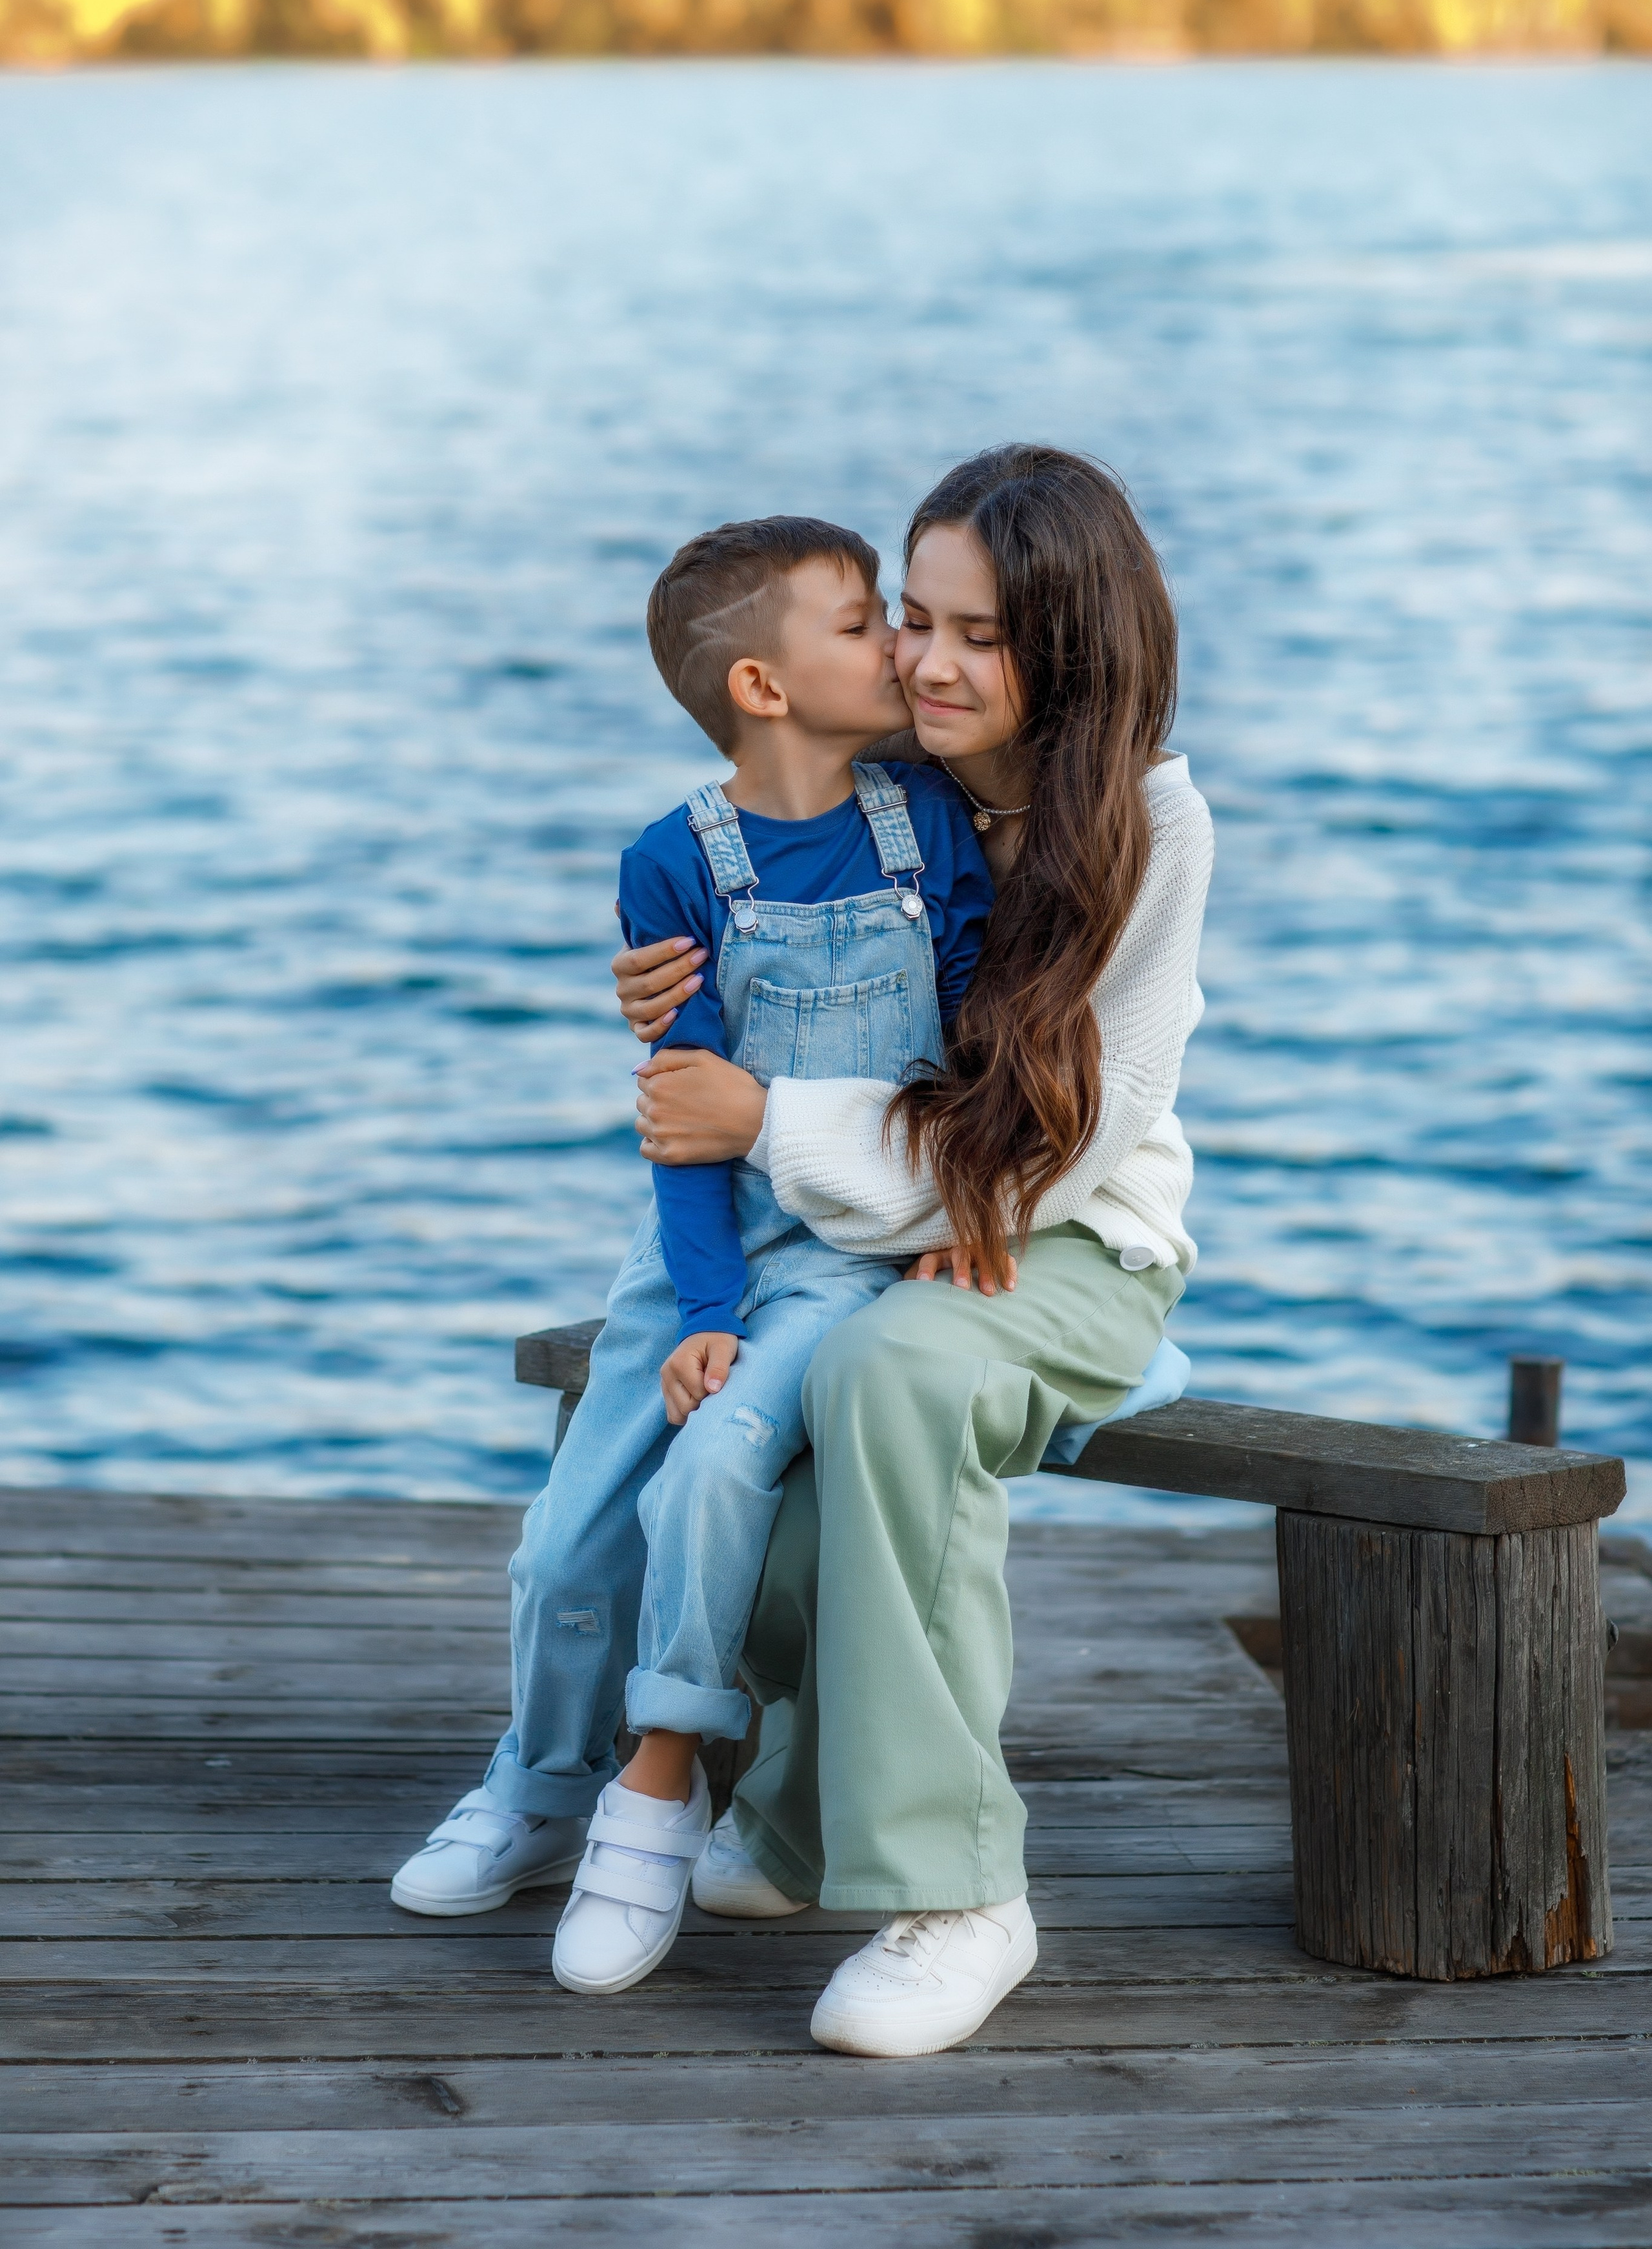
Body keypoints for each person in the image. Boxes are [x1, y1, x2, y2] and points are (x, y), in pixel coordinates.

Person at [617, 445, 1214, 2057]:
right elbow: (741, 971)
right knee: (717, 1402)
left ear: (1077, 649)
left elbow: (1080, 1133)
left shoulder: (1148, 821)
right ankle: (793, 1814)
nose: (929, 664)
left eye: (984, 636)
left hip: (1068, 1237)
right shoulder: (900, 788)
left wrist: (772, 1126)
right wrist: (679, 1014)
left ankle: (962, 1887)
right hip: (888, 1221)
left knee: (884, 1374)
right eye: (917, 619)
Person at [389, 514, 994, 2002]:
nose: (898, 650)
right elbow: (679, 1117)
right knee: (565, 1535)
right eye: (862, 624)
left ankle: (653, 1803)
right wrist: (703, 1306)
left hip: (852, 1250)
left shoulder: (932, 824)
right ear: (762, 687)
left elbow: (980, 1050)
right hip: (702, 1247)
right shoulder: (672, 863)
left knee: (713, 1465)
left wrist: (959, 1217)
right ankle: (536, 1786)